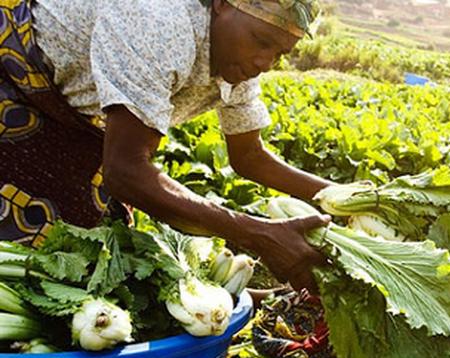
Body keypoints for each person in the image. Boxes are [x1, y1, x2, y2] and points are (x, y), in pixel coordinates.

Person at [0, 0, 332, 292]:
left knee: (91, 248)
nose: (265, 61)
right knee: (32, 255)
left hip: (72, 113)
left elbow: (248, 156)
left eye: (279, 54)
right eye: (261, 42)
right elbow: (127, 173)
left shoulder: (239, 62)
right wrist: (258, 234)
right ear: (221, 5)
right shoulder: (158, 22)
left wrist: (348, 201)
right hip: (13, 76)